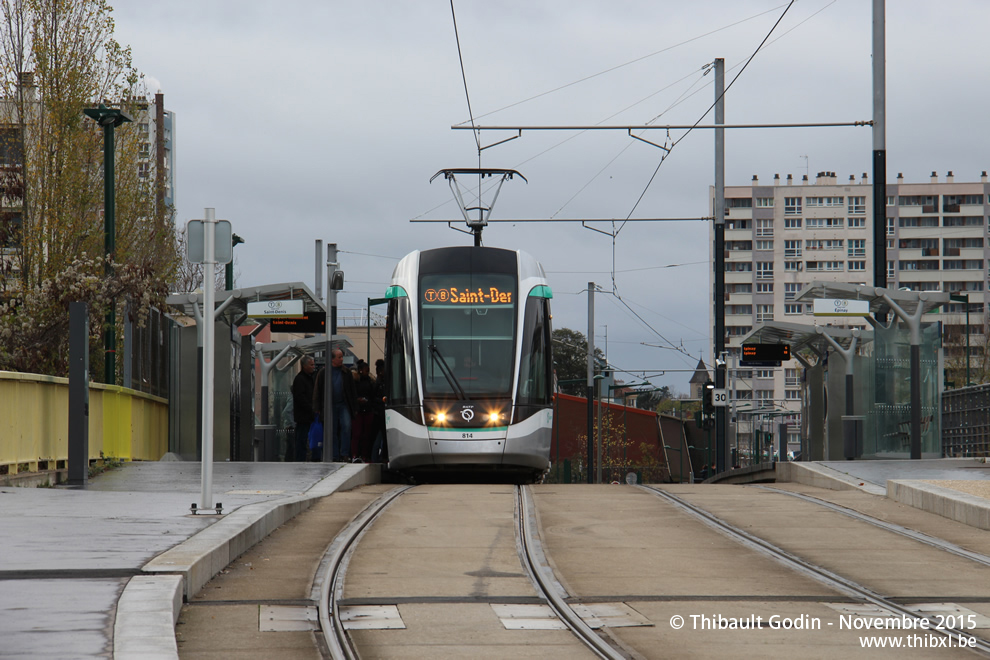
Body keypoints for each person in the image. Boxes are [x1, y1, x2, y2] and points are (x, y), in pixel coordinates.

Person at [313, 348, 357, 462]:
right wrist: (317, 407)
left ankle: (344, 453)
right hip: (329, 405)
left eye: (342, 356)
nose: (342, 359)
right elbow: (318, 390)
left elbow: (352, 390)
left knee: (346, 427)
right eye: (339, 357)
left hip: (343, 404)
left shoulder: (346, 372)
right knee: (331, 430)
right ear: (332, 359)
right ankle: (335, 455)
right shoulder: (323, 372)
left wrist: (354, 407)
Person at [290, 356, 316, 462]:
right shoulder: (300, 379)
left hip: (308, 415)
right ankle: (300, 460)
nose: (313, 367)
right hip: (303, 416)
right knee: (302, 440)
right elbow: (300, 398)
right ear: (304, 366)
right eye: (311, 365)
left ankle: (304, 458)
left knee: (305, 440)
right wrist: (311, 408)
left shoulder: (310, 378)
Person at [351, 360, 375, 462]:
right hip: (359, 411)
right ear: (360, 371)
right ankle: (355, 454)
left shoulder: (370, 381)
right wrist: (358, 400)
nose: (368, 372)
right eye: (366, 370)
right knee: (357, 434)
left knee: (366, 435)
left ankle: (364, 455)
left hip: (368, 410)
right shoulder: (355, 382)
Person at [371, 359, 387, 463]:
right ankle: (379, 457)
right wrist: (382, 400)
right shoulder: (378, 383)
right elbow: (373, 398)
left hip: (379, 414)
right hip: (380, 414)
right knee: (380, 437)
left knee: (380, 438)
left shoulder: (378, 382)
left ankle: (377, 457)